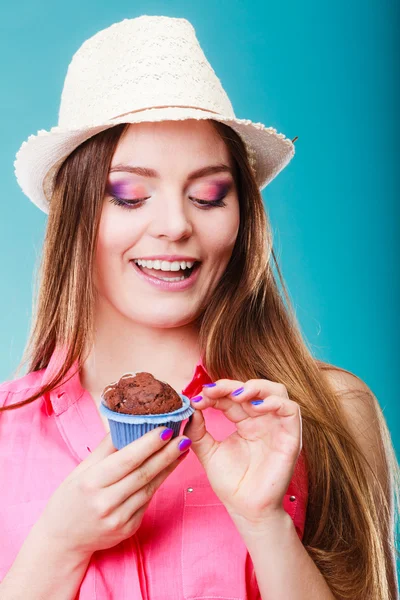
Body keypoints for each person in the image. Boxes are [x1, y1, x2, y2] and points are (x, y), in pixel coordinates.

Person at [0, 14, 398, 600]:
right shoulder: (8, 434)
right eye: (130, 196)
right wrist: (58, 548)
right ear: (75, 218)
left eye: (209, 195)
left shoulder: (328, 413)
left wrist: (267, 525)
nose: (175, 226)